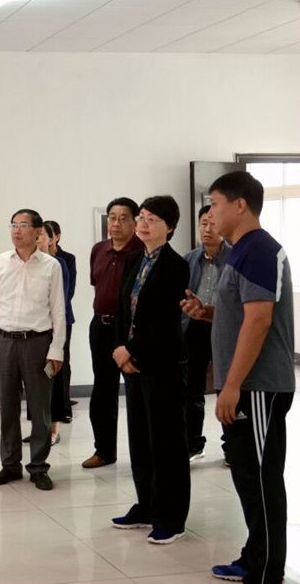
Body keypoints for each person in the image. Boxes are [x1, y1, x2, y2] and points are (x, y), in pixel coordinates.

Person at [181, 172, 294, 583]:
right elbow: (243, 311)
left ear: (240, 204)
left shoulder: (259, 249)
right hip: (245, 385)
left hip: (257, 386)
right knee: (248, 477)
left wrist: (231, 385)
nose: (210, 213)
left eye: (215, 203)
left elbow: (259, 321)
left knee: (262, 480)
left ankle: (266, 571)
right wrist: (208, 312)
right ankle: (254, 556)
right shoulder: (240, 251)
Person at [111, 195, 190, 545]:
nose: (142, 224)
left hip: (162, 364)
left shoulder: (175, 266)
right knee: (140, 439)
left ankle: (171, 517)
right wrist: (119, 349)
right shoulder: (135, 259)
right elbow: (123, 309)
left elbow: (164, 320)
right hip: (133, 364)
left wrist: (131, 349)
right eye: (141, 217)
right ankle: (147, 505)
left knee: (167, 442)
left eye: (151, 219)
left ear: (169, 227)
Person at [0, 209, 65, 491]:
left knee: (40, 409)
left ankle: (38, 466)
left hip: (38, 343)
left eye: (23, 225)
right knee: (7, 408)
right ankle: (10, 466)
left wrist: (56, 350)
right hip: (5, 342)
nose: (16, 230)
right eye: (13, 225)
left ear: (38, 231)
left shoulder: (51, 266)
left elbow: (58, 311)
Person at [82, 197, 144, 469]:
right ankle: (104, 451)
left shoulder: (141, 252)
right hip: (100, 327)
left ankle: (143, 454)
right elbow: (96, 284)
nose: (116, 223)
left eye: (123, 217)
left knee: (136, 391)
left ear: (135, 222)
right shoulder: (99, 250)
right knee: (102, 391)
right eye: (112, 217)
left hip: (129, 330)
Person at [181, 204, 230, 462]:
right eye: (203, 223)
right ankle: (193, 444)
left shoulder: (234, 258)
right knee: (192, 388)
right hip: (194, 329)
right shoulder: (189, 259)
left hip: (225, 327)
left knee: (227, 387)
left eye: (212, 223)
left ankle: (231, 447)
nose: (207, 229)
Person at [37, 221, 72, 445]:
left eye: (41, 234)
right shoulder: (29, 263)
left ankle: (54, 430)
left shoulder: (59, 264)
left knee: (55, 379)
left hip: (55, 328)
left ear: (52, 239)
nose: (37, 238)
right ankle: (39, 427)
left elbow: (62, 299)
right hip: (35, 330)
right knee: (37, 381)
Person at [46, 220, 77, 416]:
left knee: (61, 361)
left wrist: (54, 311)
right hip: (40, 322)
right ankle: (49, 408)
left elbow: (68, 291)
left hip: (62, 317)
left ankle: (63, 406)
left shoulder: (66, 260)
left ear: (55, 237)